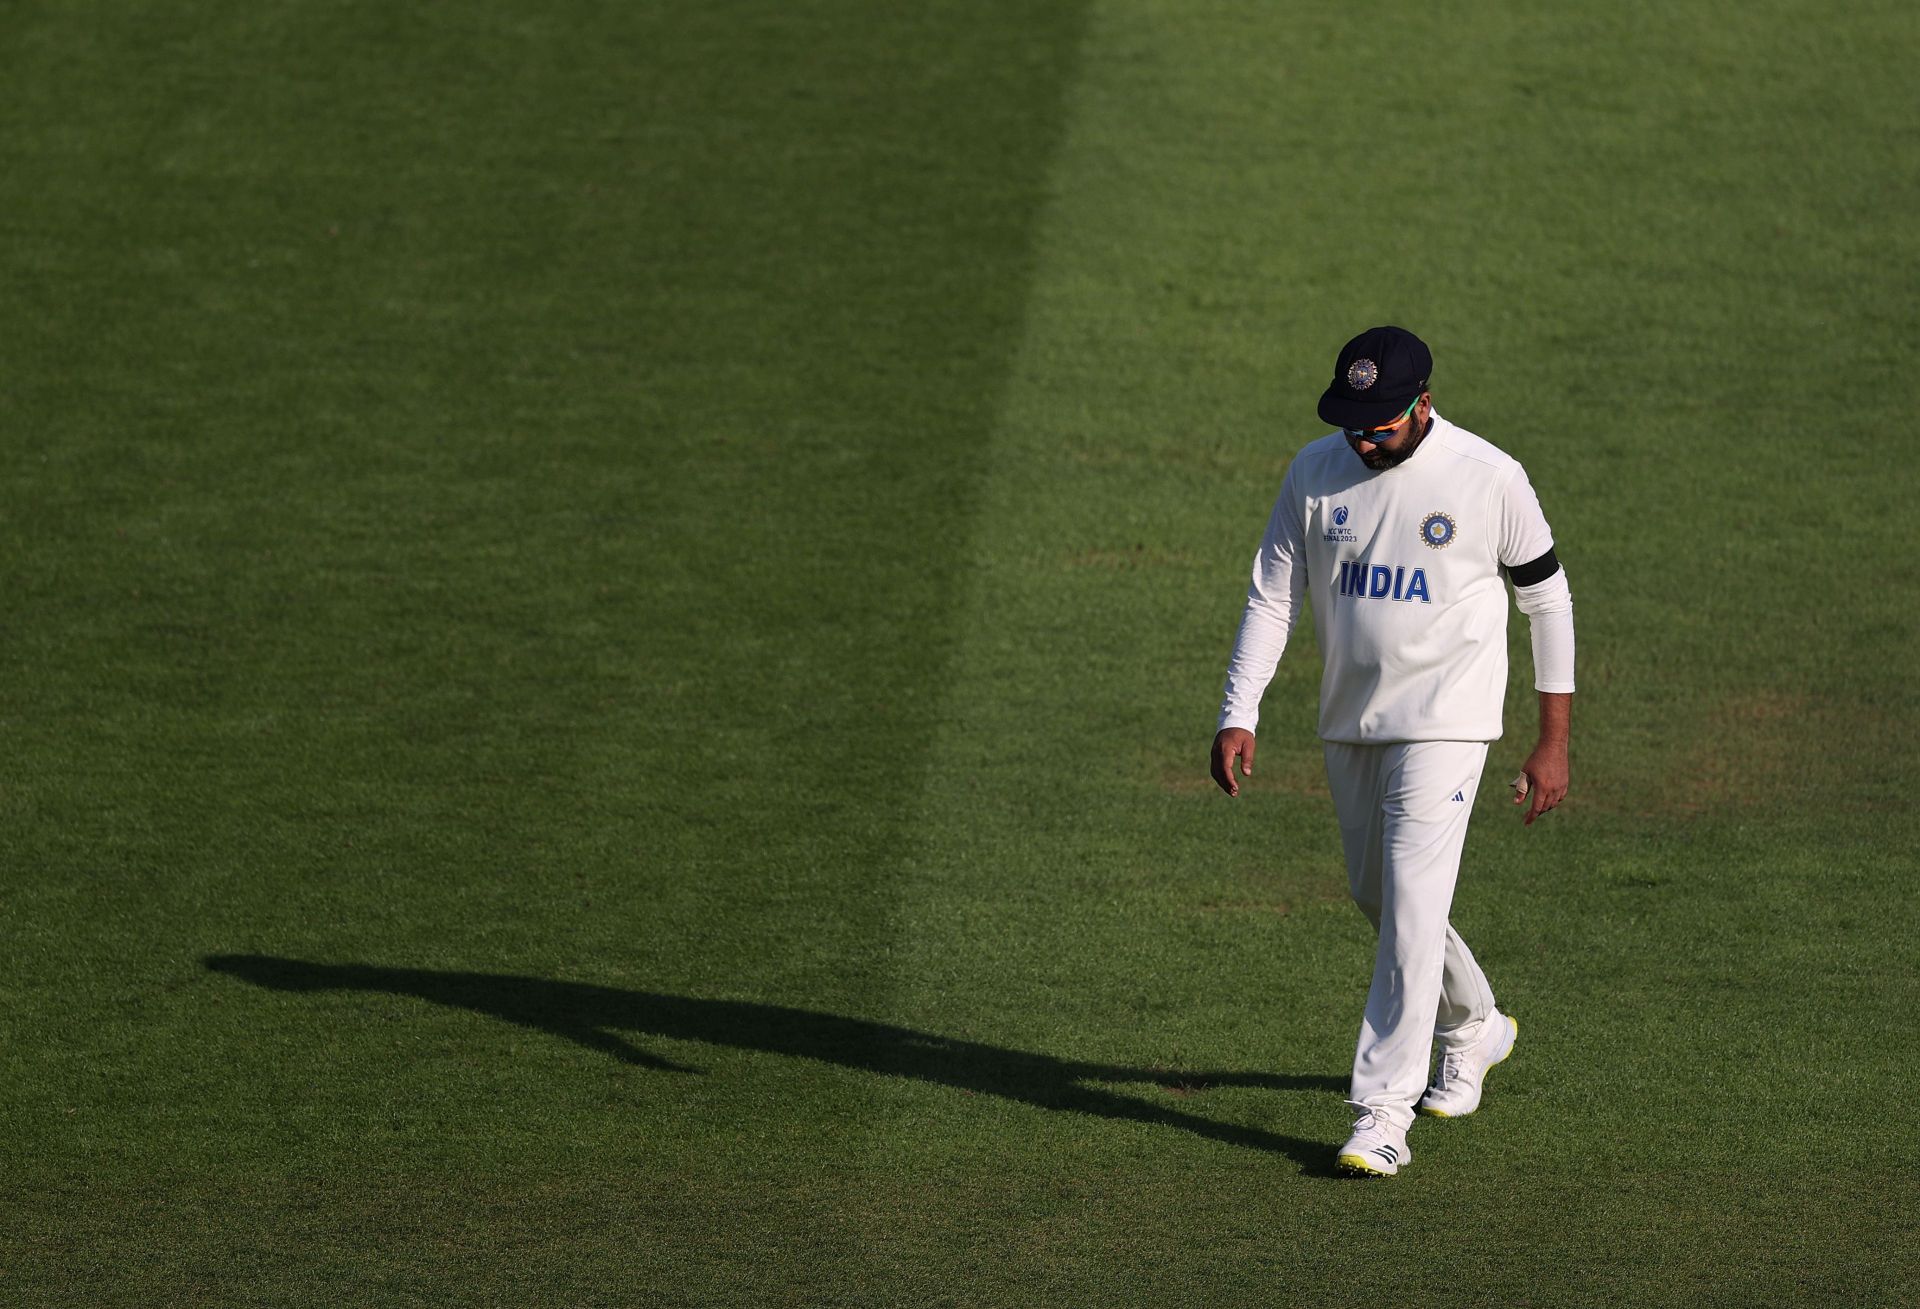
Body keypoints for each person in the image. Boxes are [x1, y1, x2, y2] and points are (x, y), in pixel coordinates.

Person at [1209, 325, 1575, 1177]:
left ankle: (1381, 1111)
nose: (1364, 437)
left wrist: (1551, 739)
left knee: (1411, 893)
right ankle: (1476, 1024)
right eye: (1353, 422)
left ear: (1424, 403)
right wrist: (1240, 712)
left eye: (1379, 422)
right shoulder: (1314, 471)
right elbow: (1272, 597)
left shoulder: (1490, 479)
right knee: (1381, 896)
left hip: (1450, 721)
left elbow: (1547, 603)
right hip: (1353, 720)